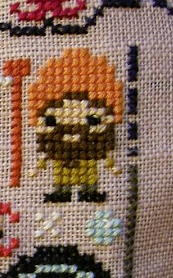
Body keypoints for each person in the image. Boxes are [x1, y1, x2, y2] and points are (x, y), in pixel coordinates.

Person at [27, 48, 124, 202]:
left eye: (92, 120)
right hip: (63, 164)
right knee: (62, 178)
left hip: (87, 163)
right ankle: (62, 192)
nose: (73, 127)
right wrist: (40, 164)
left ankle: (88, 191)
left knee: (88, 177)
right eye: (53, 120)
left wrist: (111, 163)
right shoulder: (54, 142)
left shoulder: (94, 142)